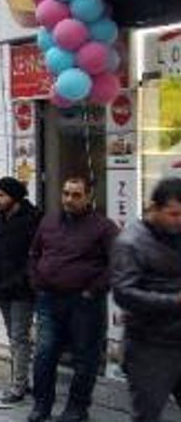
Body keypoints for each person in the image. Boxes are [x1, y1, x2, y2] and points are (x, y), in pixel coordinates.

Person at [28, 177, 119, 422]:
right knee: (44, 354)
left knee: (85, 357)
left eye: (76, 195)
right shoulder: (49, 221)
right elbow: (34, 253)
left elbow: (118, 262)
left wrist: (93, 290)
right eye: (66, 193)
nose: (69, 199)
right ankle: (41, 406)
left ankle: (76, 409)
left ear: (88, 197)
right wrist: (36, 281)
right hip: (49, 299)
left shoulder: (103, 227)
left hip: (84, 303)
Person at [112, 177, 181, 422]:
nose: (179, 220)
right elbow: (123, 293)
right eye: (174, 214)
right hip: (149, 346)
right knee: (147, 415)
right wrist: (174, 301)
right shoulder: (131, 242)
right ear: (154, 208)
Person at [0, 176, 42, 409]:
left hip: (22, 289)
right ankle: (22, 380)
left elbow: (37, 254)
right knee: (13, 336)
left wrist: (25, 278)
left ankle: (18, 387)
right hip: (1, 286)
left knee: (19, 336)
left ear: (15, 197)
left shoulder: (33, 219)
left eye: (1, 195)